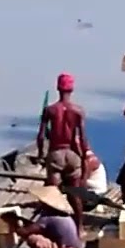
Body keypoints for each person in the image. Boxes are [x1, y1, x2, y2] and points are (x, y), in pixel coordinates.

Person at [37, 72, 90, 234]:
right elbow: (81, 137)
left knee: (52, 193)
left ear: (58, 88)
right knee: (75, 194)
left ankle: (52, 228)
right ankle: (79, 227)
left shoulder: (50, 110)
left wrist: (41, 154)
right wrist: (84, 156)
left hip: (56, 153)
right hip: (71, 154)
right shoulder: (78, 111)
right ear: (71, 89)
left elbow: (41, 136)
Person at [0, 187, 82, 248]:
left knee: (33, 238)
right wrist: (20, 219)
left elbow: (24, 232)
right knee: (38, 234)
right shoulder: (63, 216)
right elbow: (35, 226)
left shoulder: (48, 218)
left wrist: (12, 222)